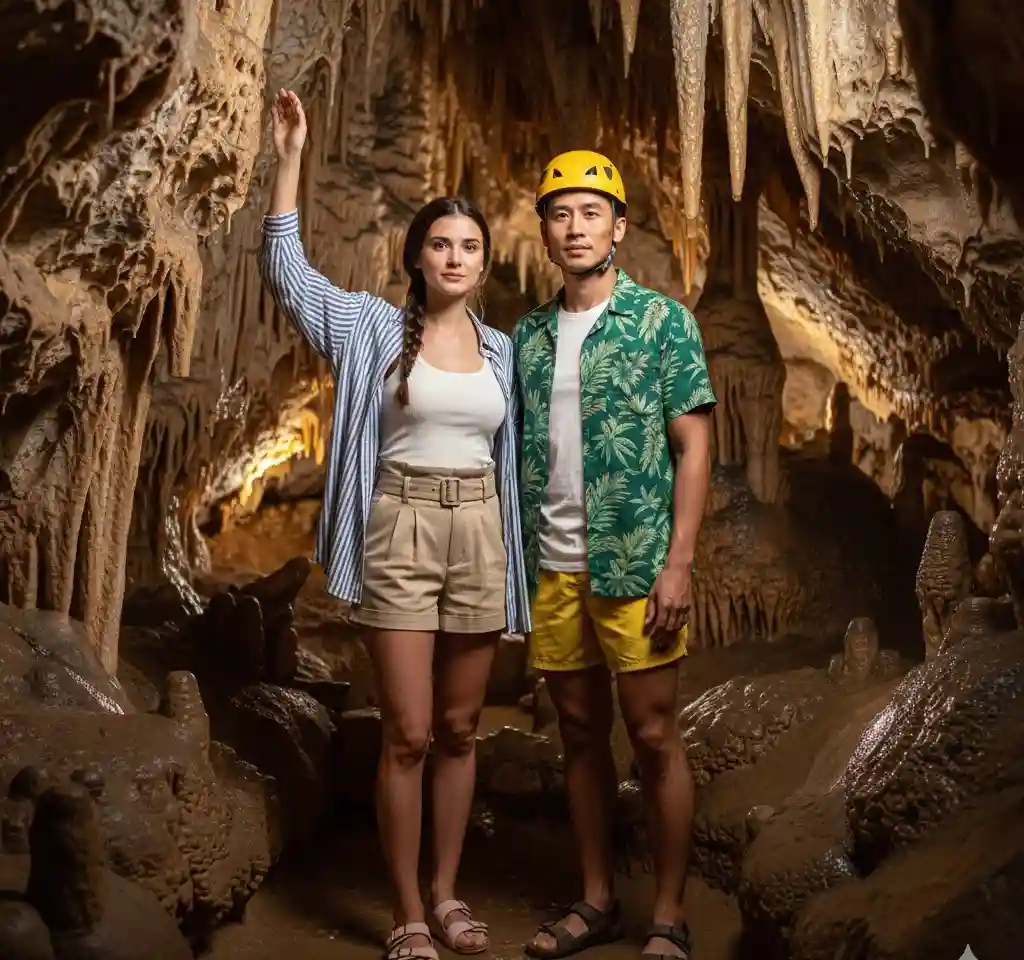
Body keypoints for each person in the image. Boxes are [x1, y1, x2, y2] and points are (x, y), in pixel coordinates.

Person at [259, 88, 531, 960]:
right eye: (441, 243)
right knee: (407, 732)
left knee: (460, 730)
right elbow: (288, 275)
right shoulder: (372, 328)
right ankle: (408, 909)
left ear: (483, 265)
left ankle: (451, 897)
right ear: (416, 256)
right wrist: (290, 156)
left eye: (470, 246)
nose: (455, 256)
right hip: (401, 528)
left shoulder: (502, 351)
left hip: (480, 532)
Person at [513, 150, 717, 960]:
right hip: (554, 562)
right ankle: (595, 899)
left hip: (634, 562)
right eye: (560, 214)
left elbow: (693, 448)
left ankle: (667, 912)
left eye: (590, 212)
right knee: (577, 733)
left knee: (655, 734)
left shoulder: (664, 322)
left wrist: (680, 562)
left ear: (617, 228)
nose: (574, 226)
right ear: (545, 231)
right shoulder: (527, 336)